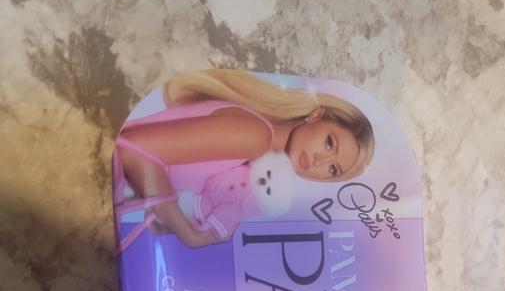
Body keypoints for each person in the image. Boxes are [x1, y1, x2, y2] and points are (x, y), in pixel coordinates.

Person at [113, 69, 375, 251]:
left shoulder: (254, 166)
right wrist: (188, 234)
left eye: (333, 169)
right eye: (329, 143)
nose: (320, 161)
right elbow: (131, 150)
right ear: (316, 115)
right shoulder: (257, 135)